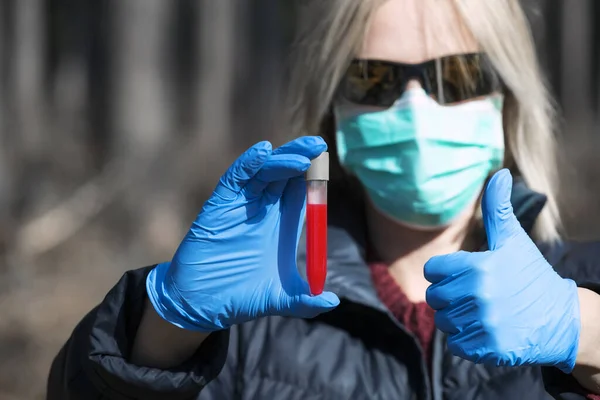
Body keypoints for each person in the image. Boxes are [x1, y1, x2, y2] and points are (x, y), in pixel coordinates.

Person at [47, 0, 600, 399]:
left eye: (456, 75)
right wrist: (163, 332)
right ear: (333, 112)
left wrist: (583, 330)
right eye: (371, 79)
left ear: (508, 100)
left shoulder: (586, 279)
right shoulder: (252, 312)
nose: (413, 107)